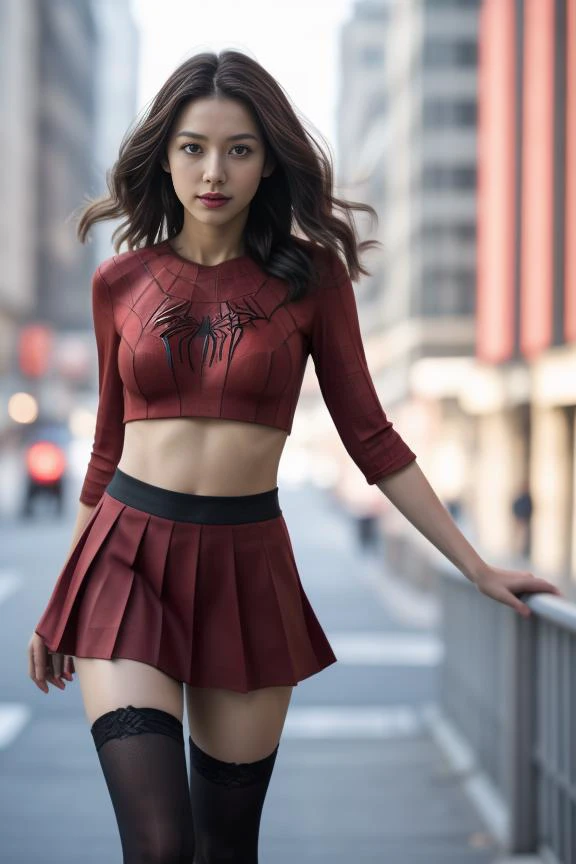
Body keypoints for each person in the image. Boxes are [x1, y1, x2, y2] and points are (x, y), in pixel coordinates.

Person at [26, 50, 563, 864]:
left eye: (239, 149)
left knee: (226, 847)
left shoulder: (312, 280)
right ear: (164, 155)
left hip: (246, 566)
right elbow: (105, 450)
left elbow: (372, 439)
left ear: (267, 159)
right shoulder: (120, 284)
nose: (214, 171)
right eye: (194, 147)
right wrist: (64, 594)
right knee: (160, 846)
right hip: (124, 559)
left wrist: (476, 566)